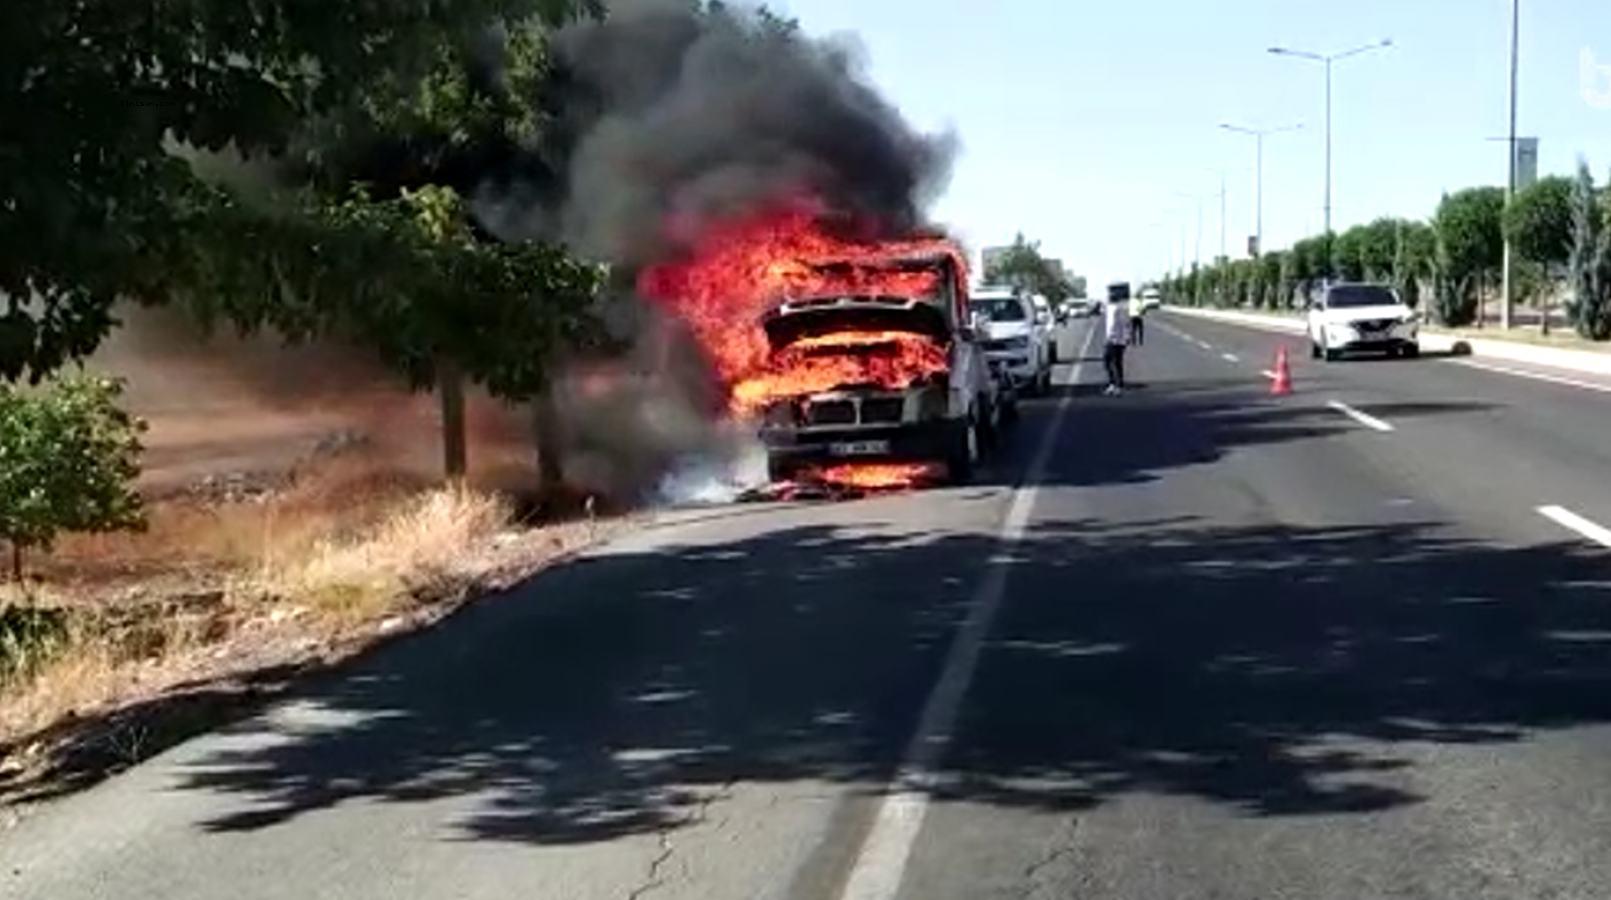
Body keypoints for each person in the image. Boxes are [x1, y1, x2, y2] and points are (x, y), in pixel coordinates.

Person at [1102, 292, 1130, 395]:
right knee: (1109, 362)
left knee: (1114, 363)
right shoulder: (1110, 308)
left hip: (1116, 340)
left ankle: (1117, 386)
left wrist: (1126, 337)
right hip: (1113, 340)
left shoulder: (1116, 309)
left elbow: (1123, 324)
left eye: (1108, 297)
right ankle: (1113, 384)